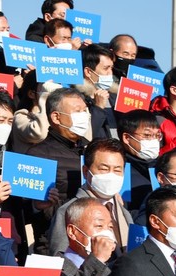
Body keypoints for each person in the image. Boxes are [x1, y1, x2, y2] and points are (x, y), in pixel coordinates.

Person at [19, 87, 89, 253]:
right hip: (56, 246)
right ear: (56, 117)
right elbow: (24, 209)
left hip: (89, 242)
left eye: (85, 111)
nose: (84, 116)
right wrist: (38, 206)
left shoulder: (89, 152)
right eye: (77, 111)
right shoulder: (38, 154)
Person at [47, 138, 133, 257]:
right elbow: (60, 260)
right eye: (104, 169)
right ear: (86, 171)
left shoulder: (123, 211)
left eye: (117, 170)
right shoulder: (68, 211)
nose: (111, 175)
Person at [118, 109, 161, 209]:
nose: (153, 140)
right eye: (147, 135)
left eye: (157, 135)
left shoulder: (163, 167)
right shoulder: (119, 169)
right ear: (126, 138)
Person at [76, 44, 116, 140]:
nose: (110, 73)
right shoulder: (76, 99)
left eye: (111, 68)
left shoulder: (114, 97)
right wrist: (98, 108)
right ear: (88, 72)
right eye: (106, 68)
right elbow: (82, 138)